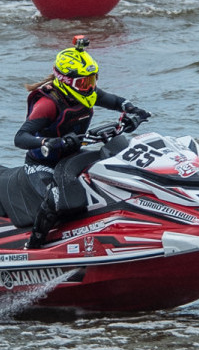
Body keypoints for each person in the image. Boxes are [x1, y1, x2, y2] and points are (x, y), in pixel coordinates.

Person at [14, 36, 150, 248]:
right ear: (67, 81)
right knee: (57, 198)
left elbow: (115, 101)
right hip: (43, 165)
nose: (90, 87)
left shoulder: (88, 93)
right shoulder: (47, 103)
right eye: (84, 82)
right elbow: (21, 137)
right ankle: (33, 245)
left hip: (73, 159)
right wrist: (50, 142)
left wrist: (133, 110)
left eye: (92, 80)